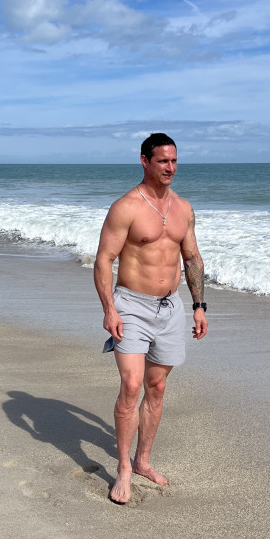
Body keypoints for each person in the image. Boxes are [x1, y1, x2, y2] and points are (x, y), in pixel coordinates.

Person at [94, 132, 208, 504]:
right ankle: (123, 470)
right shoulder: (126, 207)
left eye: (174, 161)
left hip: (170, 307)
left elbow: (191, 258)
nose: (170, 168)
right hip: (131, 305)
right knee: (131, 385)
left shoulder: (183, 208)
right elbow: (103, 260)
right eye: (162, 161)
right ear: (145, 161)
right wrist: (109, 309)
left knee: (156, 388)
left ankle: (142, 461)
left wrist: (199, 305)